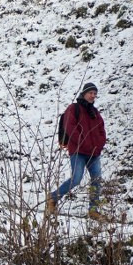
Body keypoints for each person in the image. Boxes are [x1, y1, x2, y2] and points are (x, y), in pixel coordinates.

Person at [48, 82, 106, 214]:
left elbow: (102, 130)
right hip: (78, 151)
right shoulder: (73, 109)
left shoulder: (95, 112)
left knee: (97, 180)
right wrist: (83, 143)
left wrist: (100, 144)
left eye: (95, 94)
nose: (93, 96)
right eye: (91, 93)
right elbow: (70, 128)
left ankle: (93, 209)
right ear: (84, 93)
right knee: (76, 179)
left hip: (94, 153)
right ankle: (52, 197)